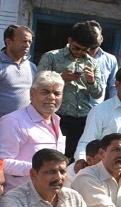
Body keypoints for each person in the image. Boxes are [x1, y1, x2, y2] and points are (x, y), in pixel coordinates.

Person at [37, 21, 103, 158]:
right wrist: (61, 79)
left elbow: (98, 94)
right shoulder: (52, 57)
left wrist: (91, 81)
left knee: (79, 157)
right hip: (58, 116)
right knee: (55, 156)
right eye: (76, 48)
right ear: (69, 41)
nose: (79, 53)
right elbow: (38, 86)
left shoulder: (92, 63)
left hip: (83, 118)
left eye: (84, 50)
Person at [0, 70, 66, 192]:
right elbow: (2, 163)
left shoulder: (56, 120)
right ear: (32, 94)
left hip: (50, 194)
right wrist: (41, 169)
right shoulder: (13, 121)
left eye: (57, 93)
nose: (51, 97)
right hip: (20, 196)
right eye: (45, 92)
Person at [75, 66, 121, 179]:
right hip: (104, 179)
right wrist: (81, 160)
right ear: (117, 84)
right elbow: (86, 142)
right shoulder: (100, 111)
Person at [0, 25, 37, 123]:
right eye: (24, 41)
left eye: (29, 42)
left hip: (25, 126)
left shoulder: (31, 67)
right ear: (9, 42)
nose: (27, 45)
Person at [88, 20, 118, 106]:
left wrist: (112, 107)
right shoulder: (75, 56)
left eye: (95, 35)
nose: (92, 37)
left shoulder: (110, 59)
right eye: (89, 35)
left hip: (95, 111)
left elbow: (113, 87)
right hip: (72, 111)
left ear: (101, 38)